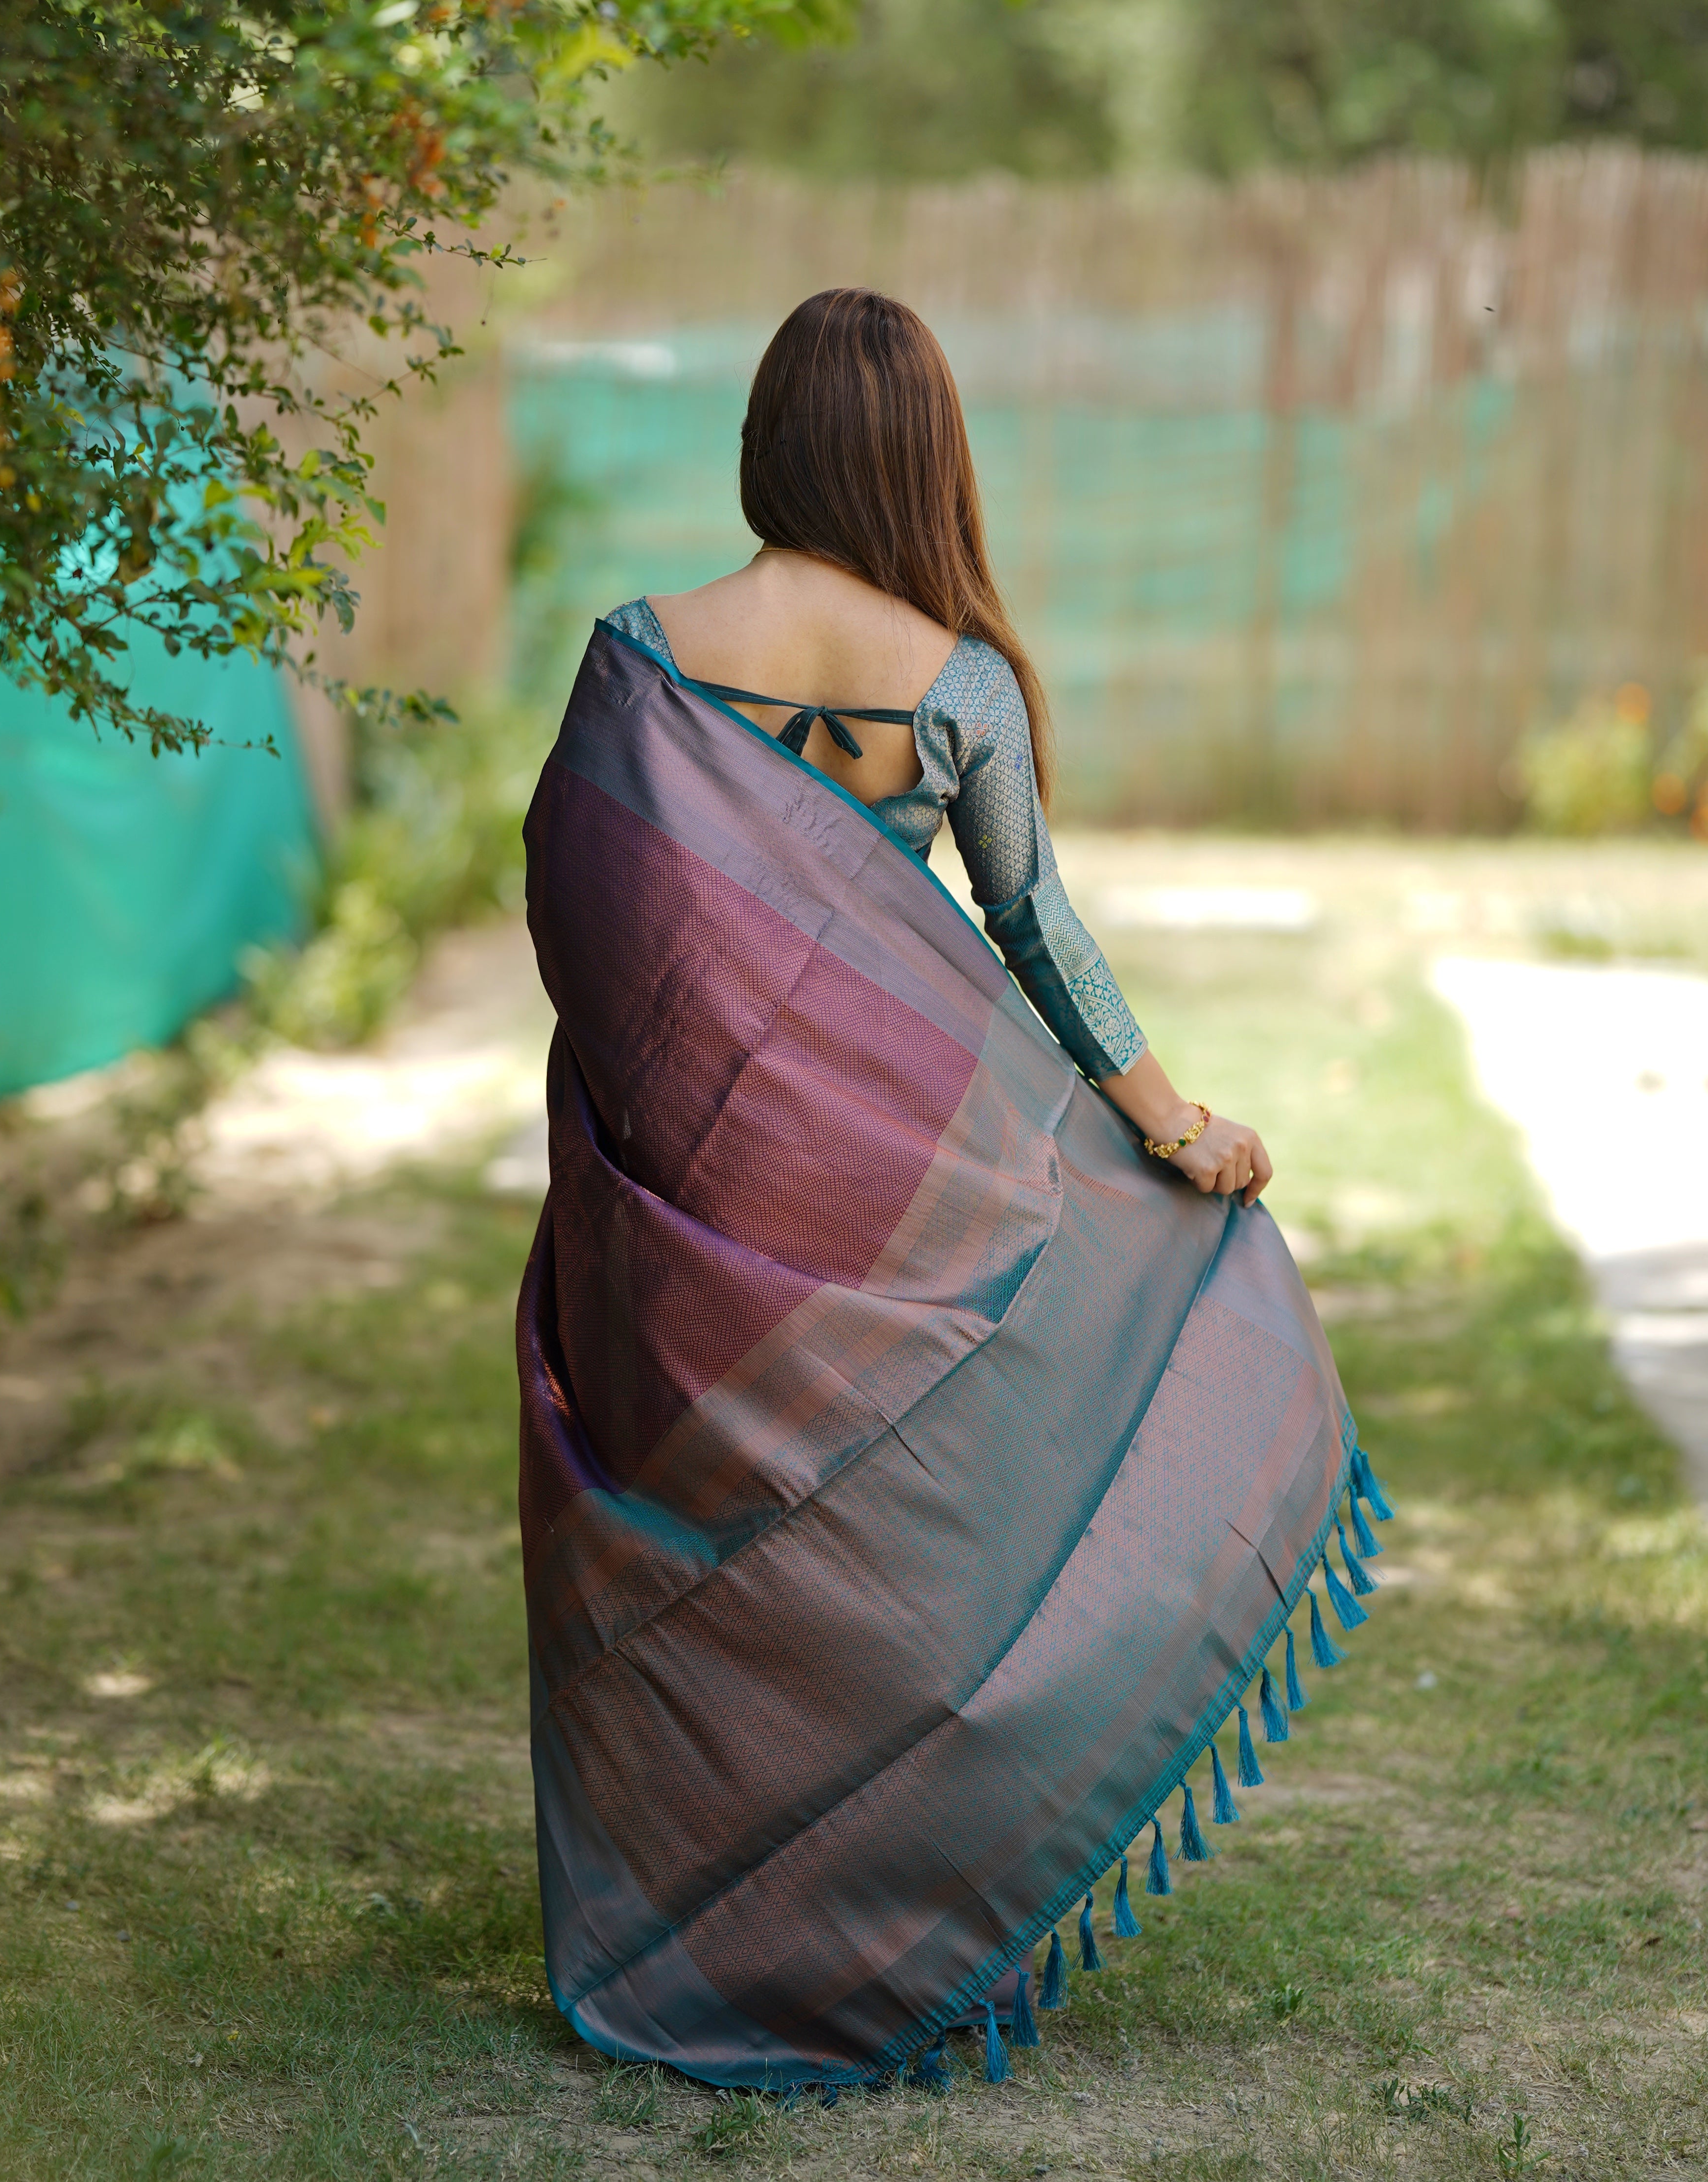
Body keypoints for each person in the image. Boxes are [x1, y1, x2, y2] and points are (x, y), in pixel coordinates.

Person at [516, 287, 1389, 2092]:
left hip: (691, 1193)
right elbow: (1037, 932)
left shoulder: (643, 655)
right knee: (898, 1547)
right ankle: (895, 1918)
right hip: (888, 1183)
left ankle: (705, 1925)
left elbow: (582, 904)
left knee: (726, 1561)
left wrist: (663, 1110)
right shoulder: (956, 680)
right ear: (923, 454)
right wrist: (1170, 1127)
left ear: (772, 440)